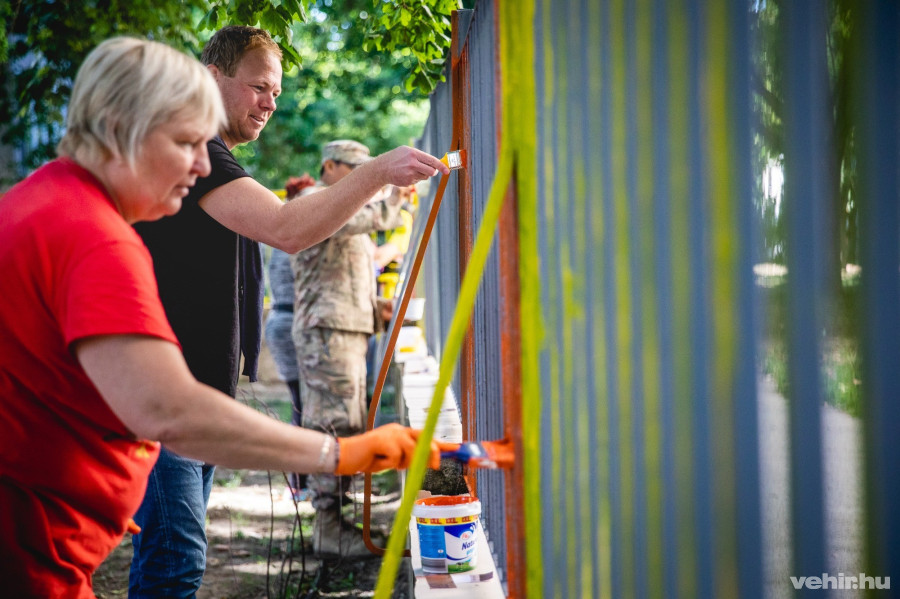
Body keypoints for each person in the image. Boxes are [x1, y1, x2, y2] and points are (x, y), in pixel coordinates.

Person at [0, 37, 446, 599]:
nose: (200, 165)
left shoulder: (49, 202)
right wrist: (339, 453)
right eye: (186, 142)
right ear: (121, 129)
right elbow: (171, 411)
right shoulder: (92, 237)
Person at [130, 26, 450, 596]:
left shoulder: (211, 152)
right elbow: (286, 228)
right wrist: (376, 171)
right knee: (173, 562)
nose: (270, 104)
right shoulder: (197, 149)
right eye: (258, 87)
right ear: (212, 78)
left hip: (196, 396)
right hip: (166, 397)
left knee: (177, 557)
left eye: (275, 92)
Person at [291, 139, 414, 557]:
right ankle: (327, 528)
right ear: (329, 166)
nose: (368, 181)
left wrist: (373, 305)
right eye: (358, 170)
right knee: (333, 425)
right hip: (328, 332)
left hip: (343, 328)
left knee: (348, 422)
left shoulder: (343, 209)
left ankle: (335, 518)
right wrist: (395, 189)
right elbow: (378, 216)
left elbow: (341, 271)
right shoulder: (316, 199)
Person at [264, 173, 317, 501]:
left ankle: (302, 482)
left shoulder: (285, 231)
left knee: (301, 404)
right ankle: (302, 484)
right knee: (304, 406)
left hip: (281, 321)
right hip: (292, 322)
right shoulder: (297, 233)